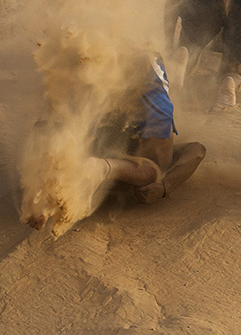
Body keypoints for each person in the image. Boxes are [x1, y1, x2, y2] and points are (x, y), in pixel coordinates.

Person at [22, 56, 207, 231]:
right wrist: (165, 186)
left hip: (105, 125)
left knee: (55, 130)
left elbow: (197, 150)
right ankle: (96, 171)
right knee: (155, 170)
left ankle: (49, 194)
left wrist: (165, 186)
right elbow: (197, 151)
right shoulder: (146, 159)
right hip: (112, 122)